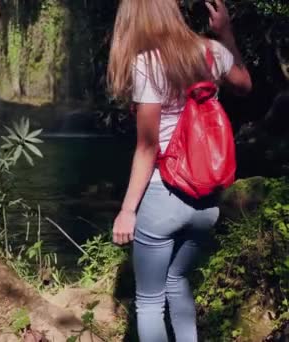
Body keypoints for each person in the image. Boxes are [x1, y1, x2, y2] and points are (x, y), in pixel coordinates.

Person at [106, 0, 252, 341]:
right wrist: (225, 32)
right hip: (207, 200)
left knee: (149, 302)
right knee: (178, 280)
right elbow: (245, 85)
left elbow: (147, 146)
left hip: (163, 195)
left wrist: (127, 211)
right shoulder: (212, 51)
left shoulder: (147, 63)